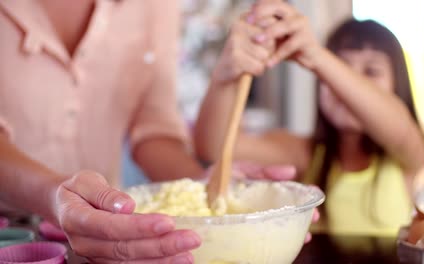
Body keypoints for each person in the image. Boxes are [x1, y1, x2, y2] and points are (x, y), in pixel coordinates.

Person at [0, 0, 299, 262]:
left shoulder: (154, 5)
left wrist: (196, 186)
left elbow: (154, 128)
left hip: (104, 244)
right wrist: (53, 195)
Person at [194, 0, 424, 236]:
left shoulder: (407, 157)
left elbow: (398, 124)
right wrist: (225, 74)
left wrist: (318, 56)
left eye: (371, 71)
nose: (344, 88)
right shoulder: (303, 154)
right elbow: (213, 148)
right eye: (341, 66)